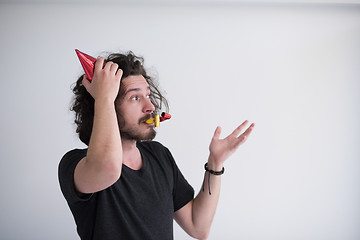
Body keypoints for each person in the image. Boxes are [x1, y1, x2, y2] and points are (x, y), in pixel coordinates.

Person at [58, 51, 255, 240]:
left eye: (148, 95)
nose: (151, 107)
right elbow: (109, 167)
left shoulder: (159, 155)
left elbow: (198, 227)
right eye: (135, 97)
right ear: (104, 104)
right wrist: (104, 96)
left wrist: (215, 162)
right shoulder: (75, 164)